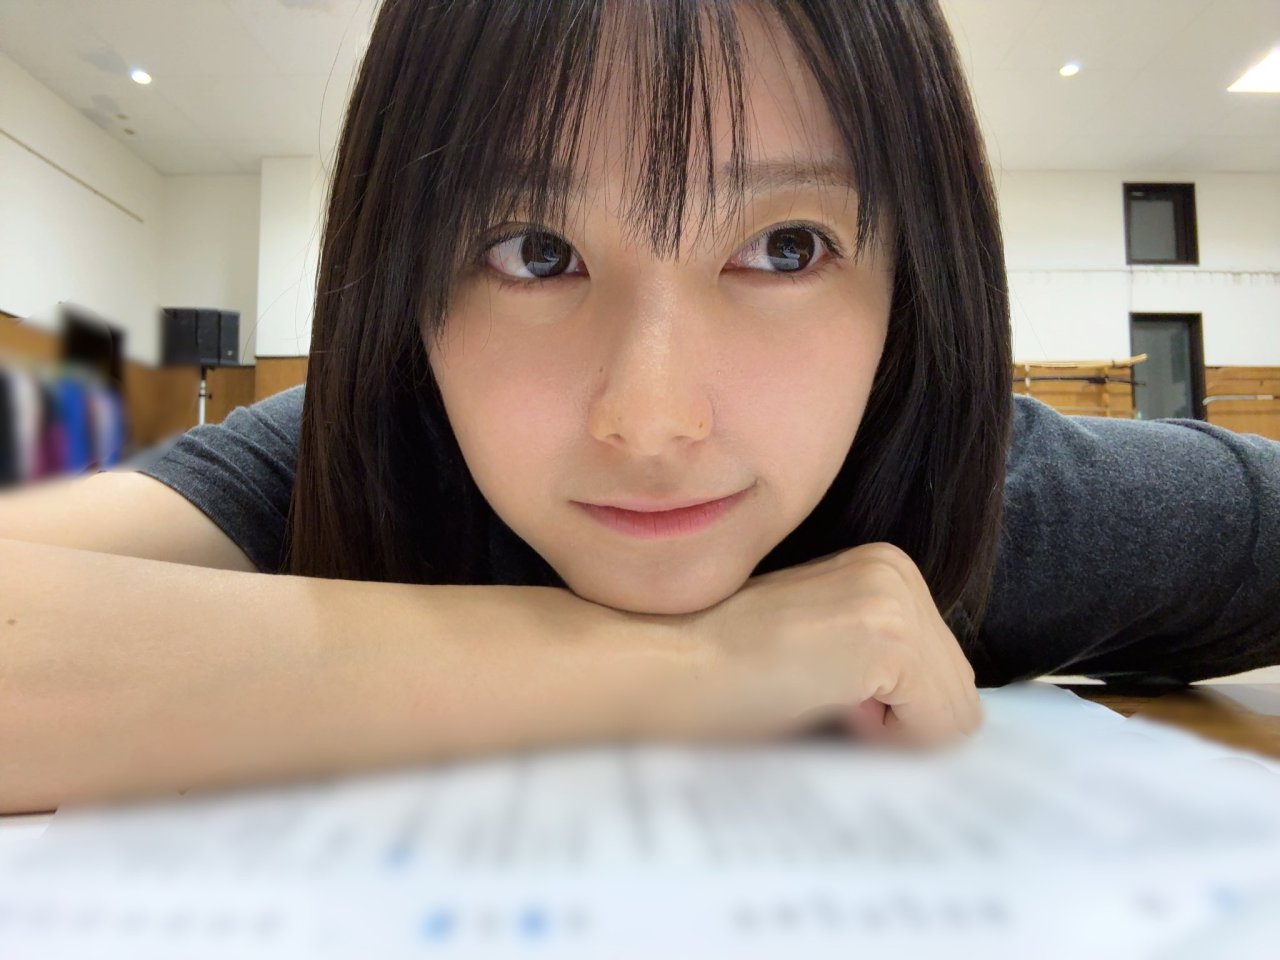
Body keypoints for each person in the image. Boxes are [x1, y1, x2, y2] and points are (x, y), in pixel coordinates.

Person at [1, 0, 1277, 816]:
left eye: (783, 248)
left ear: (913, 286)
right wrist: (693, 669)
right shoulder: (366, 451)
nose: (652, 417)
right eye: (533, 252)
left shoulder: (997, 497)